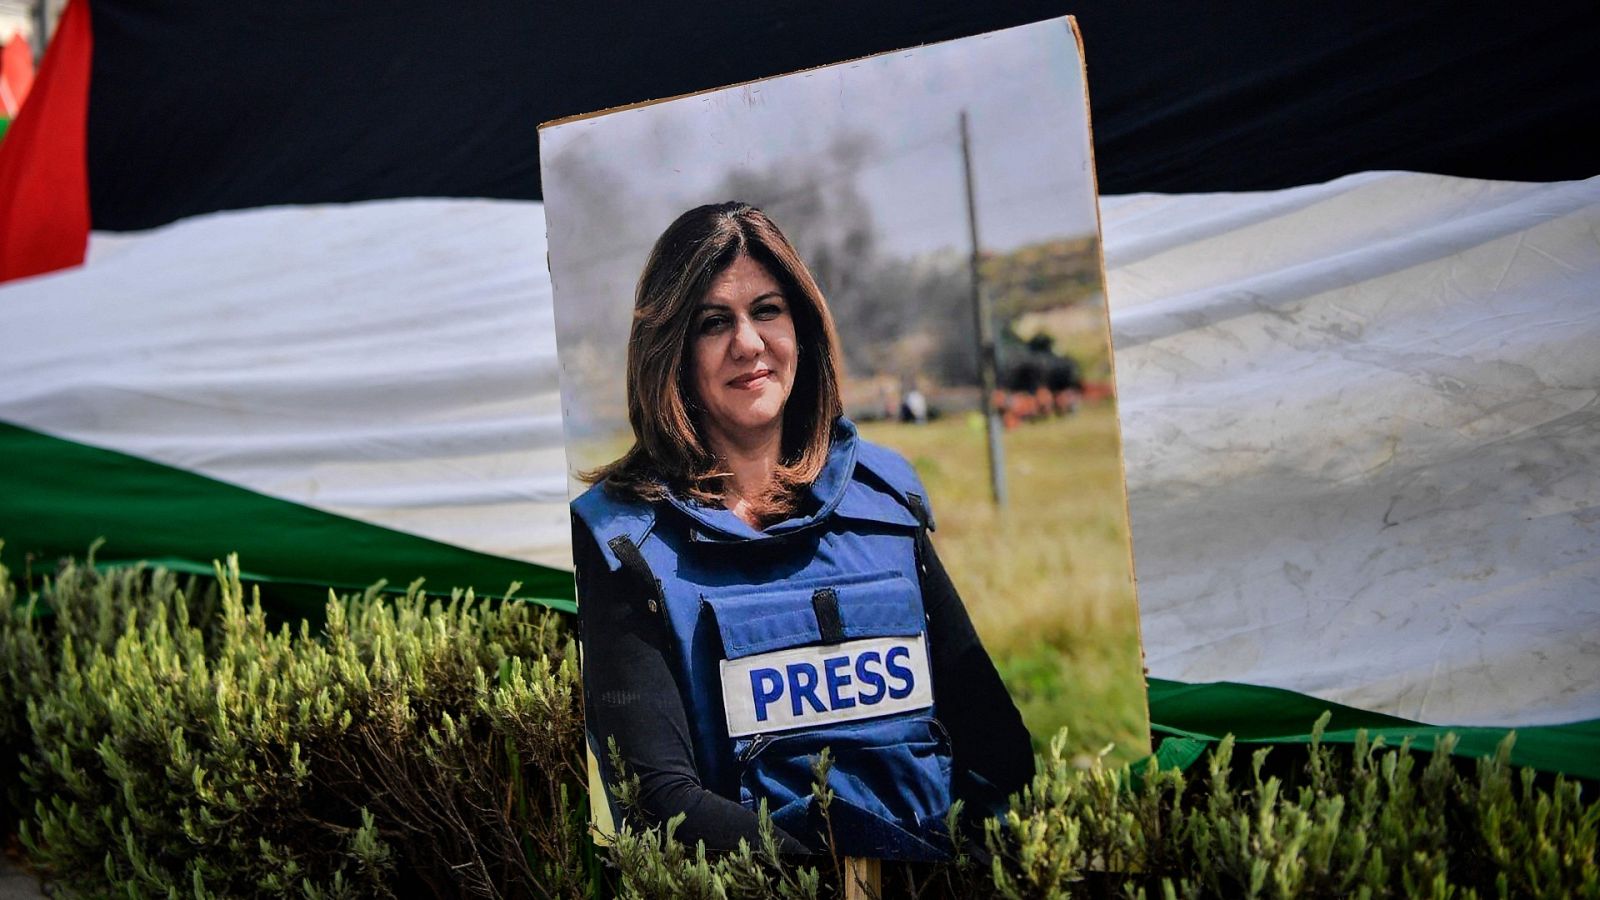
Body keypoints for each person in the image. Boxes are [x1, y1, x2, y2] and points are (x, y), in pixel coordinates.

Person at [572, 201, 1032, 860]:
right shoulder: (620, 539)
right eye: (712, 322)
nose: (749, 343)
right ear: (669, 348)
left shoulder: (883, 498)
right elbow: (655, 800)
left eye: (767, 310)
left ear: (802, 327)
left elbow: (996, 747)